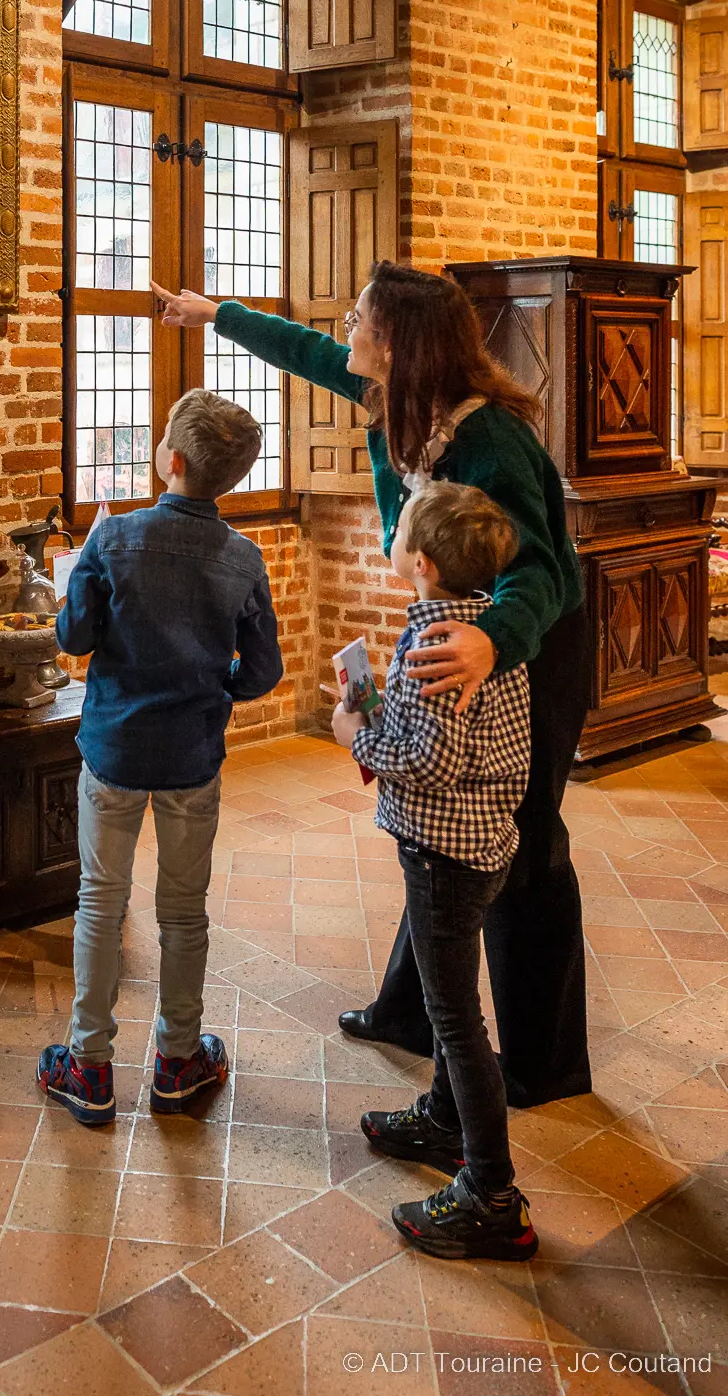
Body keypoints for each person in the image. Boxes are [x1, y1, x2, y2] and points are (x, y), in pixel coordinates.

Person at [152, 261, 591, 1109]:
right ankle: (409, 1012)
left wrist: (491, 642)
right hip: (467, 630)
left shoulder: (489, 437)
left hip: (529, 642)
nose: (345, 331)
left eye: (358, 320)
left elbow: (535, 572)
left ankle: (544, 1062)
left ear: (395, 344)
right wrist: (216, 315)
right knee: (439, 832)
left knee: (521, 842)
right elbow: (308, 352)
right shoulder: (395, 397)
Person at [37, 388, 284, 1126]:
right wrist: (216, 689)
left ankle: (89, 1065)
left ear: (169, 459)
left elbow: (74, 638)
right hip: (190, 754)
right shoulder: (243, 557)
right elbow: (262, 671)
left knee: (99, 903)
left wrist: (80, 577)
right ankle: (178, 1060)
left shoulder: (113, 540)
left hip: (113, 748)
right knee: (182, 912)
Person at [333, 481, 538, 1262]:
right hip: (481, 840)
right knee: (450, 1001)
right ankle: (444, 1121)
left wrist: (355, 734)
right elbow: (460, 740)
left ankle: (491, 1194)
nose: (391, 541)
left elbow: (431, 763)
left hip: (443, 853)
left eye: (398, 534)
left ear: (418, 562)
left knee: (454, 1020)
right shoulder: (488, 632)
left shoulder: (432, 646)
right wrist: (382, 711)